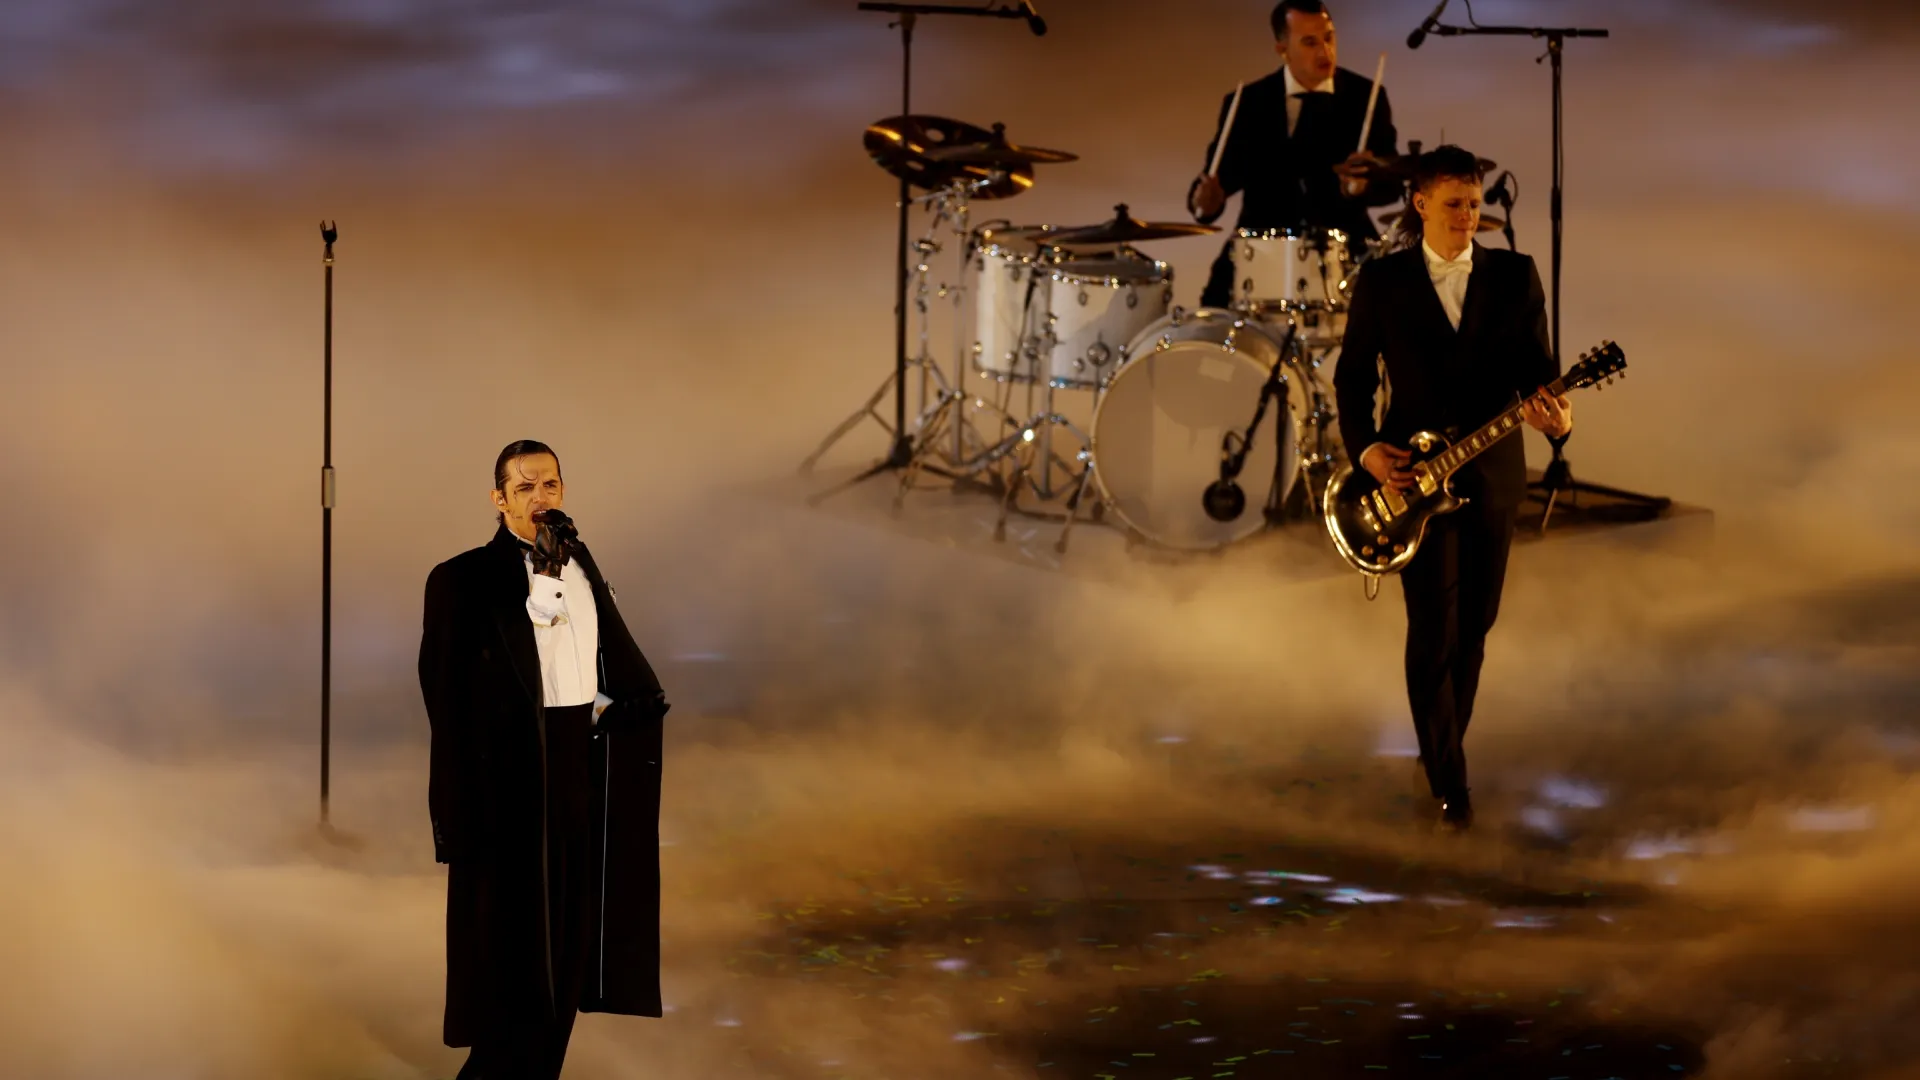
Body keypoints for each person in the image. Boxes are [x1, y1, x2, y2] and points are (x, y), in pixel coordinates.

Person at [1331, 146, 1573, 830]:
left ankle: (1443, 746)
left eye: (1473, 204)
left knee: (1475, 632)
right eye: (1453, 205)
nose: (1467, 217)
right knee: (1433, 630)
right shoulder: (1384, 282)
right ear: (1420, 205)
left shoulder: (1515, 277)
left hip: (1493, 478)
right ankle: (1449, 782)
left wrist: (1557, 417)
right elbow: (1353, 380)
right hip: (1412, 482)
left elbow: (1539, 372)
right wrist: (1368, 450)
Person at [419, 439, 670, 1078]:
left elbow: (607, 668)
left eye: (550, 485)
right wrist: (452, 814)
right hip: (505, 789)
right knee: (513, 972)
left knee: (569, 960)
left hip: (577, 776)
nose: (541, 498)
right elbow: (445, 701)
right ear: (499, 499)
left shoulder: (585, 568)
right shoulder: (462, 580)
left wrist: (607, 724)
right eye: (525, 487)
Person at [1188, 0, 1402, 309]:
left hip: (1344, 249)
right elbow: (1218, 180)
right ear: (1282, 48)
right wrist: (1205, 204)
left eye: (1329, 37)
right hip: (1260, 248)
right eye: (1310, 42)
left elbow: (1392, 186)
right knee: (1210, 326)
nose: (1324, 51)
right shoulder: (1248, 102)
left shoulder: (1365, 96)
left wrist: (1361, 186)